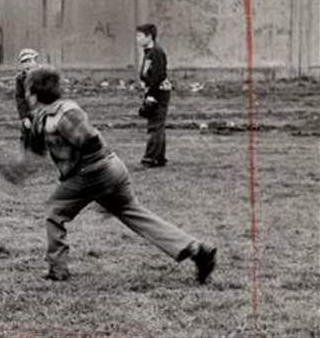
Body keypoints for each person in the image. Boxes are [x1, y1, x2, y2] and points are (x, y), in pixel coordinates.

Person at [16, 65, 216, 284]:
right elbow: (35, 149)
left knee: (55, 213)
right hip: (110, 171)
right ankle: (197, 250)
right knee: (133, 213)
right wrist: (18, 168)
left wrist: (88, 182)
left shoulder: (64, 114)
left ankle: (57, 271)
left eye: (27, 90)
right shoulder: (44, 117)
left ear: (34, 94)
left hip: (95, 172)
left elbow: (90, 142)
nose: (26, 95)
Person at [136, 23, 171, 167]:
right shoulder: (149, 51)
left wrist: (151, 94)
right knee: (158, 125)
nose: (137, 39)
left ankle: (150, 159)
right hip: (155, 90)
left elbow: (158, 75)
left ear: (149, 37)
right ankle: (159, 158)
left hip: (158, 92)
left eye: (139, 36)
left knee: (154, 126)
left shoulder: (156, 52)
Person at [14, 48, 40, 148]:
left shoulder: (45, 75)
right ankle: (24, 156)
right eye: (24, 62)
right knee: (26, 130)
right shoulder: (20, 79)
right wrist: (24, 117)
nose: (27, 65)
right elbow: (19, 98)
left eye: (30, 61)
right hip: (30, 111)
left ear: (35, 61)